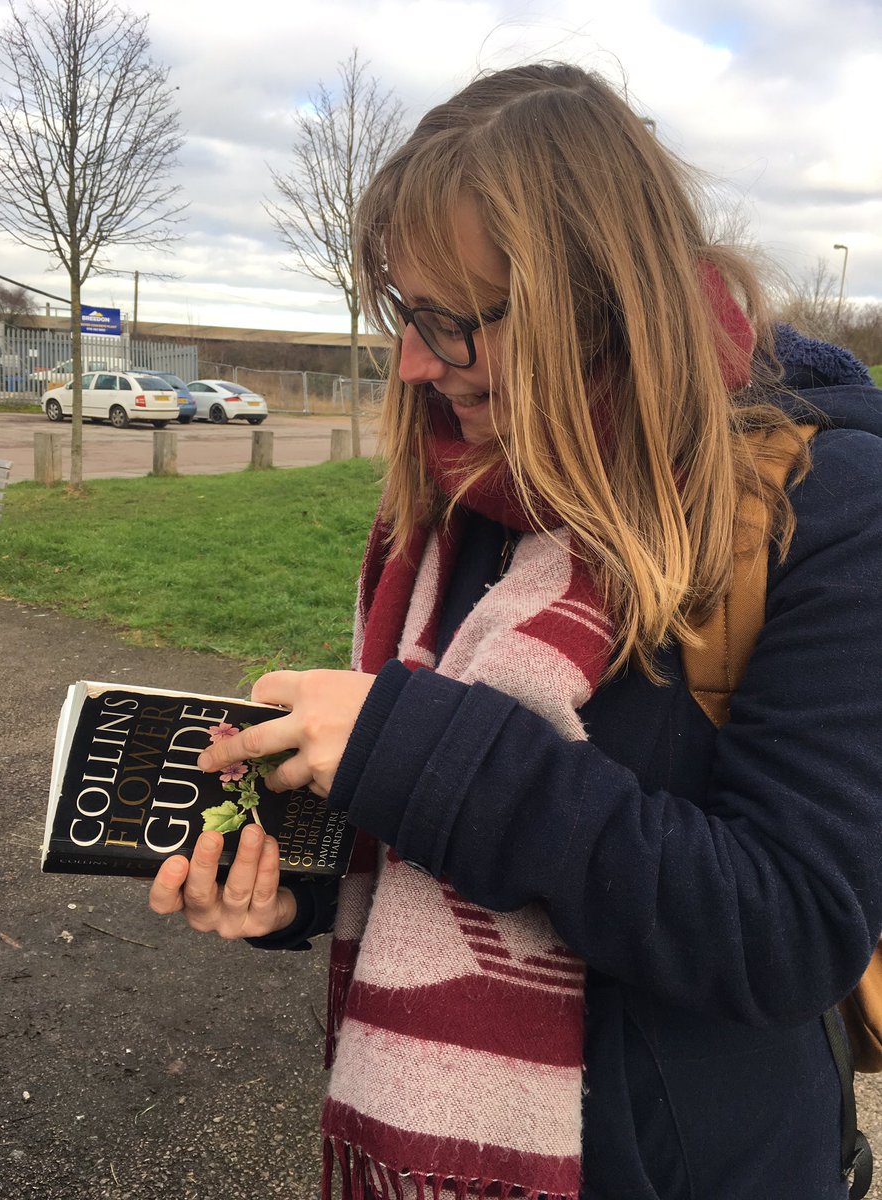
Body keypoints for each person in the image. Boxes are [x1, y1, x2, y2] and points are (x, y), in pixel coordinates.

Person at [148, 62, 882, 1200]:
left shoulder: (827, 506)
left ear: (598, 299)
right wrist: (293, 880)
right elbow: (429, 824)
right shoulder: (459, 499)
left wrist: (414, 747)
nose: (413, 361)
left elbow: (788, 928)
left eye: (450, 323)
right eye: (405, 312)